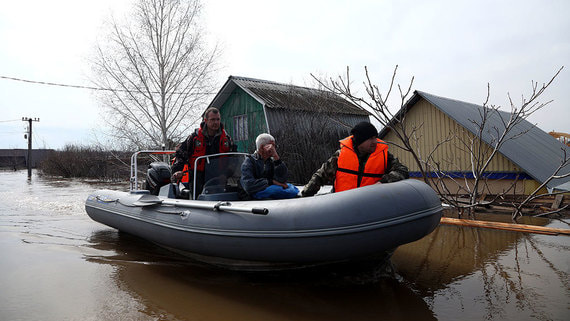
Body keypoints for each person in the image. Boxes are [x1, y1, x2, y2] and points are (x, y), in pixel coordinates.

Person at [301, 121, 409, 197]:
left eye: (375, 137)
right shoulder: (339, 156)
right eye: (371, 138)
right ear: (360, 141)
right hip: (343, 206)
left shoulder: (384, 156)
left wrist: (383, 182)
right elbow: (320, 177)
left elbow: (402, 170)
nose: (375, 142)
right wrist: (305, 195)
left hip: (372, 207)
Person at [171, 107, 235, 196]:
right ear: (206, 120)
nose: (216, 122)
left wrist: (228, 173)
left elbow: (233, 158)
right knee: (196, 198)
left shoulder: (227, 139)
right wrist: (177, 171)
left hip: (220, 178)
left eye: (218, 119)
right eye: (212, 120)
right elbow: (181, 153)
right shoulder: (193, 138)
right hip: (198, 177)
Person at [240, 133, 299, 200]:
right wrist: (271, 182)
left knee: (292, 188)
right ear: (262, 147)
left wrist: (276, 158)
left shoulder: (270, 162)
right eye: (272, 146)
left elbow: (282, 179)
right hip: (255, 192)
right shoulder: (249, 162)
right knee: (276, 190)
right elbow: (248, 186)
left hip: (268, 188)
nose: (274, 149)